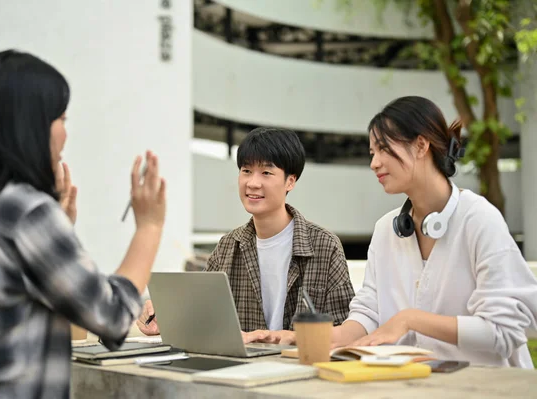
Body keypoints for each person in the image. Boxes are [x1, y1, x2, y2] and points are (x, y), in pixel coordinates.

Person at [0, 50, 167, 397]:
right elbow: (111, 315)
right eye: (60, 118)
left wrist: (56, 229)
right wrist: (149, 226)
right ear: (25, 126)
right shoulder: (25, 213)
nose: (65, 135)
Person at [260, 96, 537, 368]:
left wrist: (410, 319)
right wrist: (304, 339)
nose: (374, 163)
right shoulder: (386, 230)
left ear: (420, 145)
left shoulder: (480, 219)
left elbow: (504, 332)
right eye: (372, 153)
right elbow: (367, 313)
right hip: (412, 385)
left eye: (383, 149)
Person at [138, 127, 355, 342]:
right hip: (239, 369)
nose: (252, 183)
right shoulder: (227, 247)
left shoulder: (324, 246)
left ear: (290, 181)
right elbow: (203, 316)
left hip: (300, 366)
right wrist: (166, 315)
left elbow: (345, 329)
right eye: (246, 170)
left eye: (266, 173)